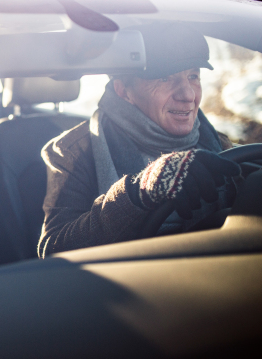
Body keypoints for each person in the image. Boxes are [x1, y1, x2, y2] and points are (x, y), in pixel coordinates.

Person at [38, 23, 241, 257]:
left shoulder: (218, 143)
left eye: (193, 76)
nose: (188, 95)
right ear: (124, 90)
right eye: (165, 78)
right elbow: (53, 250)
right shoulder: (72, 151)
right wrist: (140, 190)